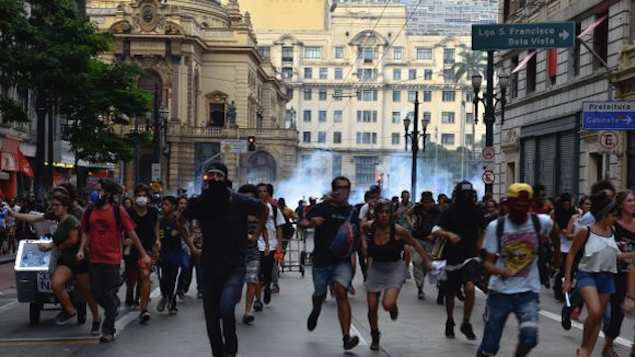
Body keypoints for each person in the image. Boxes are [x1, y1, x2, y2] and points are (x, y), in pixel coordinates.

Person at [182, 162, 267, 357]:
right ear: (205, 179)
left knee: (227, 309)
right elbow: (181, 219)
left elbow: (264, 210)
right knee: (211, 320)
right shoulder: (199, 202)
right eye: (210, 175)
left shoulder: (239, 201)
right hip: (208, 266)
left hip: (234, 266)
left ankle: (231, 347)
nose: (214, 179)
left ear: (225, 179)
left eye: (218, 175)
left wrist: (254, 237)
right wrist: (192, 246)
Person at [476, 183, 553, 357]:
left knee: (529, 337)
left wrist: (556, 257)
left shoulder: (540, 222)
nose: (521, 208)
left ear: (531, 204)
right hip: (499, 293)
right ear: (508, 204)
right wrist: (501, 271)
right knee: (489, 346)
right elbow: (487, 263)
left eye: (525, 205)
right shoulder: (496, 227)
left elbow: (553, 230)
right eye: (517, 204)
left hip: (528, 292)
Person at [11, 192, 101, 333]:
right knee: (56, 284)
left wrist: (51, 246)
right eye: (52, 205)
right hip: (65, 262)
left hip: (79, 262)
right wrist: (14, 214)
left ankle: (96, 318)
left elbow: (73, 240)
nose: (54, 208)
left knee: (87, 294)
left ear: (65, 206)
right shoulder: (56, 218)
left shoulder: (71, 220)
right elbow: (34, 218)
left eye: (57, 205)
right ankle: (70, 310)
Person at [76, 178, 151, 343]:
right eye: (95, 190)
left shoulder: (118, 211)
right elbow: (86, 232)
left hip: (112, 260)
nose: (96, 193)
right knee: (96, 293)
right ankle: (113, 306)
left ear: (108, 193)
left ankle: (108, 330)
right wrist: (82, 249)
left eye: (99, 190)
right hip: (94, 259)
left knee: (109, 293)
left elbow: (131, 233)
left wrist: (143, 253)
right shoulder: (89, 211)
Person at [361, 199, 432, 351]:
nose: (384, 215)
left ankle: (392, 306)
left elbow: (415, 243)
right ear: (376, 213)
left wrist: (427, 261)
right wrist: (365, 245)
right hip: (376, 268)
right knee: (372, 307)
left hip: (395, 268)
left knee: (386, 304)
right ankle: (375, 335)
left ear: (391, 214)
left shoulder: (398, 230)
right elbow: (361, 229)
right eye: (381, 212)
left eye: (387, 212)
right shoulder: (370, 226)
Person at [301, 176, 361, 351]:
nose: (343, 191)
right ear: (334, 190)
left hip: (342, 261)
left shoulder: (352, 211)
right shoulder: (321, 208)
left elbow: (357, 233)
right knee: (319, 293)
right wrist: (312, 222)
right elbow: (302, 222)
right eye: (340, 188)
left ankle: (346, 338)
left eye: (347, 188)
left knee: (341, 293)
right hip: (321, 260)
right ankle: (316, 308)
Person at [563, 191, 620, 357]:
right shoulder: (585, 231)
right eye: (613, 215)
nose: (615, 217)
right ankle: (585, 348)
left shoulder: (613, 231)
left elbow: (614, 254)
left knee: (598, 317)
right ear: (603, 214)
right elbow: (572, 253)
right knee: (594, 311)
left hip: (607, 276)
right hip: (587, 274)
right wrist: (567, 279)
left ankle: (585, 350)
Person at [433, 181, 486, 340]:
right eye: (464, 194)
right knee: (450, 293)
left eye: (469, 194)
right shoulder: (450, 211)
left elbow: (483, 229)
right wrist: (449, 235)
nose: (467, 197)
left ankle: (466, 322)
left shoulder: (477, 211)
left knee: (470, 288)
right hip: (452, 256)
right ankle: (450, 320)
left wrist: (480, 244)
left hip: (470, 255)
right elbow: (435, 230)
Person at [602, 191, 635, 356]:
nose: (633, 203)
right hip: (617, 274)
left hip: (634, 272)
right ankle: (608, 345)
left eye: (634, 200)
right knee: (618, 314)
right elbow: (609, 252)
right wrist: (629, 255)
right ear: (621, 204)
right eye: (630, 201)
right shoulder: (613, 226)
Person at [157, 196, 199, 315]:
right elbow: (155, 235)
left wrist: (192, 249)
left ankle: (171, 302)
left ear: (173, 206)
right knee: (163, 278)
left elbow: (185, 236)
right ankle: (165, 296)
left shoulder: (179, 220)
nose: (163, 207)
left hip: (175, 253)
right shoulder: (160, 220)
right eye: (163, 204)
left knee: (172, 278)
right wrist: (156, 244)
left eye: (166, 204)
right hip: (162, 253)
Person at [126, 184, 160, 323]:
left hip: (147, 249)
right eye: (139, 195)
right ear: (134, 197)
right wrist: (124, 240)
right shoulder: (128, 212)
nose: (142, 198)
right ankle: (130, 292)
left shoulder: (153, 212)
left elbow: (156, 227)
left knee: (145, 276)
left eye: (144, 195)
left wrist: (157, 240)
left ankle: (144, 308)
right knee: (131, 277)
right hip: (131, 249)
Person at [254, 183, 285, 307]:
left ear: (268, 193)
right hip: (255, 244)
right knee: (256, 273)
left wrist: (279, 244)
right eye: (260, 191)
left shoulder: (274, 209)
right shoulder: (252, 208)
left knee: (267, 272)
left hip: (271, 245)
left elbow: (279, 227)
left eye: (264, 191)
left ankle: (266, 288)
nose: (262, 193)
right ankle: (257, 299)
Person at [237, 184, 265, 325]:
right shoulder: (233, 212)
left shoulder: (260, 212)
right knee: (235, 284)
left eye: (251, 198)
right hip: (235, 253)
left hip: (252, 251)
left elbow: (262, 228)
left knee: (252, 280)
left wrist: (256, 238)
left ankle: (248, 311)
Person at [407, 191, 440, 300]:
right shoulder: (417, 208)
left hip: (431, 241)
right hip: (418, 238)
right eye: (425, 202)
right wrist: (412, 223)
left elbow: (440, 224)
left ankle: (423, 282)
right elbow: (408, 213)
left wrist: (434, 234)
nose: (426, 204)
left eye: (428, 202)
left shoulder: (437, 210)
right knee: (416, 262)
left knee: (427, 264)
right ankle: (420, 287)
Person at [552, 193, 577, 302]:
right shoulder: (555, 213)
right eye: (565, 204)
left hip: (572, 245)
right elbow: (553, 229)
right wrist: (561, 231)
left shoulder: (574, 212)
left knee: (570, 270)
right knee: (563, 270)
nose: (567, 206)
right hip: (561, 244)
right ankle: (558, 290)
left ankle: (567, 289)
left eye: (569, 204)